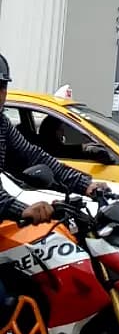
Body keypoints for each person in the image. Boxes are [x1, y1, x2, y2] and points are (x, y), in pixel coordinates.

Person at [0, 54, 98, 227]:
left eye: (2, 86)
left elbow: (33, 156)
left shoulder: (1, 124)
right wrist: (19, 209)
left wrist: (85, 184)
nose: (0, 94)